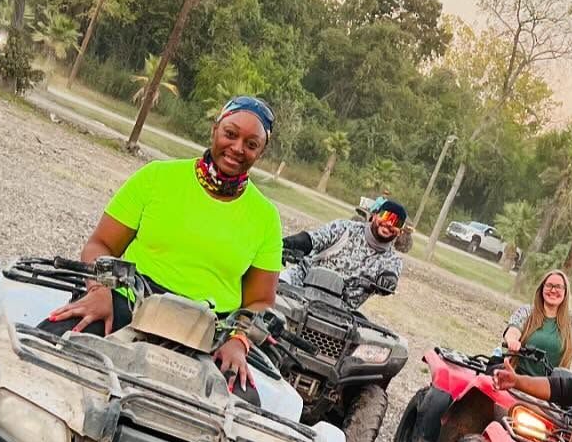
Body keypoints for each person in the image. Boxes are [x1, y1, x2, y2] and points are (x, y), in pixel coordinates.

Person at [45, 96, 282, 393]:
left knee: (244, 411)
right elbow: (101, 244)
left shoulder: (266, 217)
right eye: (230, 134)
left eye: (251, 143)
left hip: (211, 332)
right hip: (129, 302)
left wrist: (239, 340)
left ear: (261, 151)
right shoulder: (157, 177)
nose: (237, 148)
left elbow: (260, 300)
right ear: (215, 129)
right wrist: (99, 290)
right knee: (50, 347)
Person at [282, 197, 407, 307]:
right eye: (386, 216)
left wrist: (387, 282)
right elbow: (314, 239)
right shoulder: (345, 228)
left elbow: (390, 277)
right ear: (374, 216)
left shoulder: (392, 261)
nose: (389, 223)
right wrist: (289, 244)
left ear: (400, 232)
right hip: (299, 284)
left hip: (338, 310)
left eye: (396, 222)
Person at [500, 269, 572, 373]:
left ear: (566, 292)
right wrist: (512, 341)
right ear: (542, 288)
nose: (553, 290)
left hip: (552, 387)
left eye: (558, 287)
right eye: (549, 285)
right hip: (516, 379)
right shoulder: (526, 312)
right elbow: (513, 331)